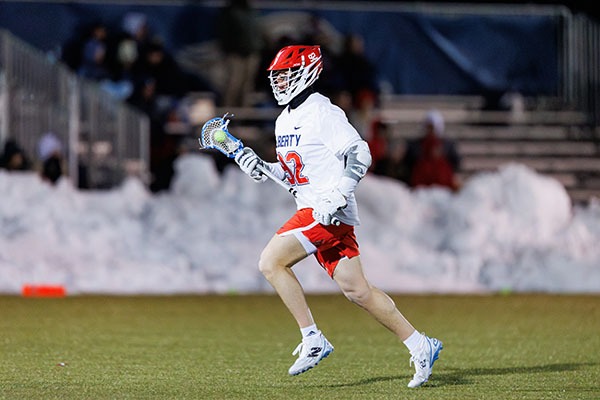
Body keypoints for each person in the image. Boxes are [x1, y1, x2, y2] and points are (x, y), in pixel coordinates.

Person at [233, 45, 443, 388]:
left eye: (286, 75)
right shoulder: (284, 119)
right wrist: (262, 167)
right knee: (358, 290)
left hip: (326, 212)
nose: (280, 82)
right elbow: (295, 175)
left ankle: (312, 338)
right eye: (277, 76)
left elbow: (360, 152)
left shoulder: (322, 111)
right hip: (315, 209)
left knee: (270, 262)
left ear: (306, 72)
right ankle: (420, 344)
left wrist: (340, 193)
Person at [402, 109, 461, 191]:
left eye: (432, 127)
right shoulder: (415, 146)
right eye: (428, 127)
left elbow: (455, 165)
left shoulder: (448, 145)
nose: (431, 130)